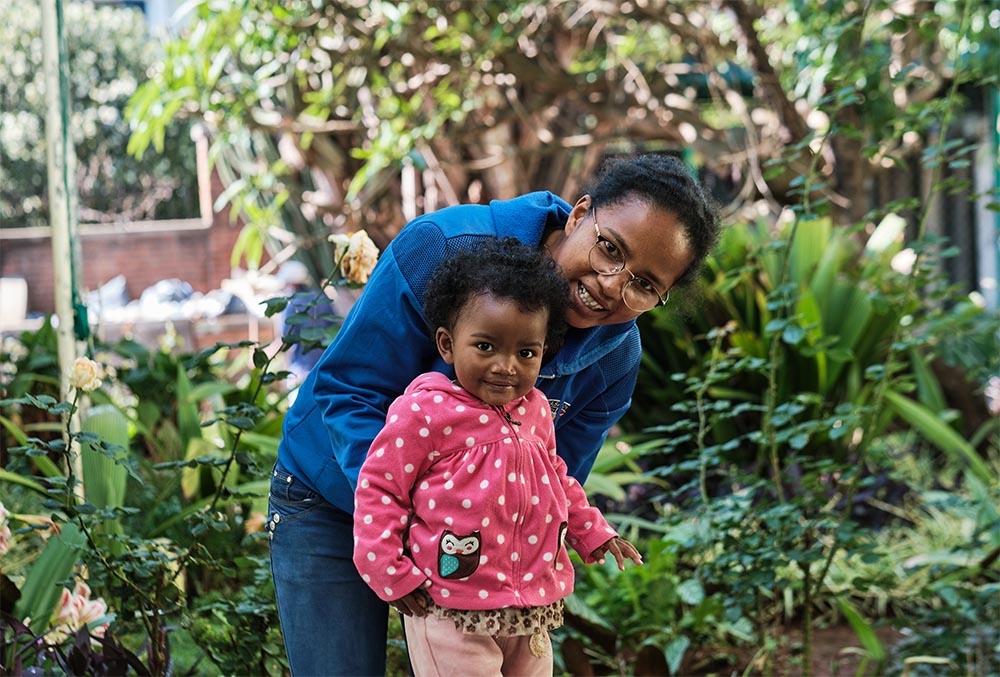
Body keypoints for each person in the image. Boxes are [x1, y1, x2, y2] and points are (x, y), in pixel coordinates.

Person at [267, 153, 721, 676]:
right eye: (609, 248)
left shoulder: (615, 360)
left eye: (645, 285)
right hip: (328, 496)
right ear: (578, 215)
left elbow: (553, 479)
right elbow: (350, 391)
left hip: (461, 549)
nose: (612, 285)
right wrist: (414, 531)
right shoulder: (439, 249)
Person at [353, 239, 643, 676]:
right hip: (450, 605)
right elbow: (379, 488)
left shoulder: (537, 410)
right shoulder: (425, 412)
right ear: (448, 345)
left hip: (531, 605)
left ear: (543, 352)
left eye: (525, 352)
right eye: (486, 346)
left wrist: (592, 531)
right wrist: (387, 569)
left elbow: (557, 479)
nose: (506, 365)